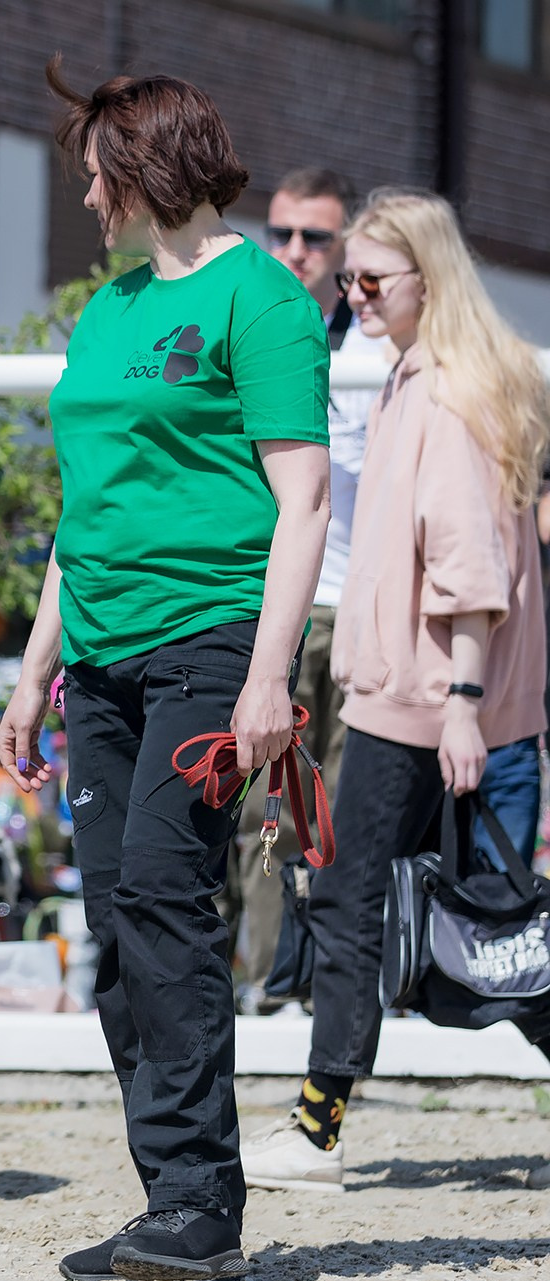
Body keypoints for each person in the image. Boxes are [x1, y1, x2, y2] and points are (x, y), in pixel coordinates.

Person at [0, 66, 331, 1281]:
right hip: (96, 655)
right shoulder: (108, 311)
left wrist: (266, 679)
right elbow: (80, 511)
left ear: (147, 168)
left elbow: (301, 503)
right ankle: (170, 1199)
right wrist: (34, 668)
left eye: (95, 169)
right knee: (115, 932)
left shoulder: (264, 303)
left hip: (207, 645)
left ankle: (200, 1201)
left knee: (158, 901)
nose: (83, 190)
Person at [241, 188, 550, 1194]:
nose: (354, 295)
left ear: (429, 279)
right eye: (349, 280)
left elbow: (468, 565)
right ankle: (318, 1122)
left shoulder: (444, 392)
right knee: (484, 909)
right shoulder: (420, 378)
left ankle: (316, 1127)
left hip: (417, 697)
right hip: (413, 691)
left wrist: (460, 698)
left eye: (372, 279)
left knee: (351, 894)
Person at [232, 167, 392, 1010]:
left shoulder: (369, 346)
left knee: (347, 815)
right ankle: (265, 977)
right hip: (271, 612)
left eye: (316, 239)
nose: (295, 253)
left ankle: (337, 988)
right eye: (282, 234)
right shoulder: (252, 324)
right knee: (267, 810)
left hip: (357, 612)